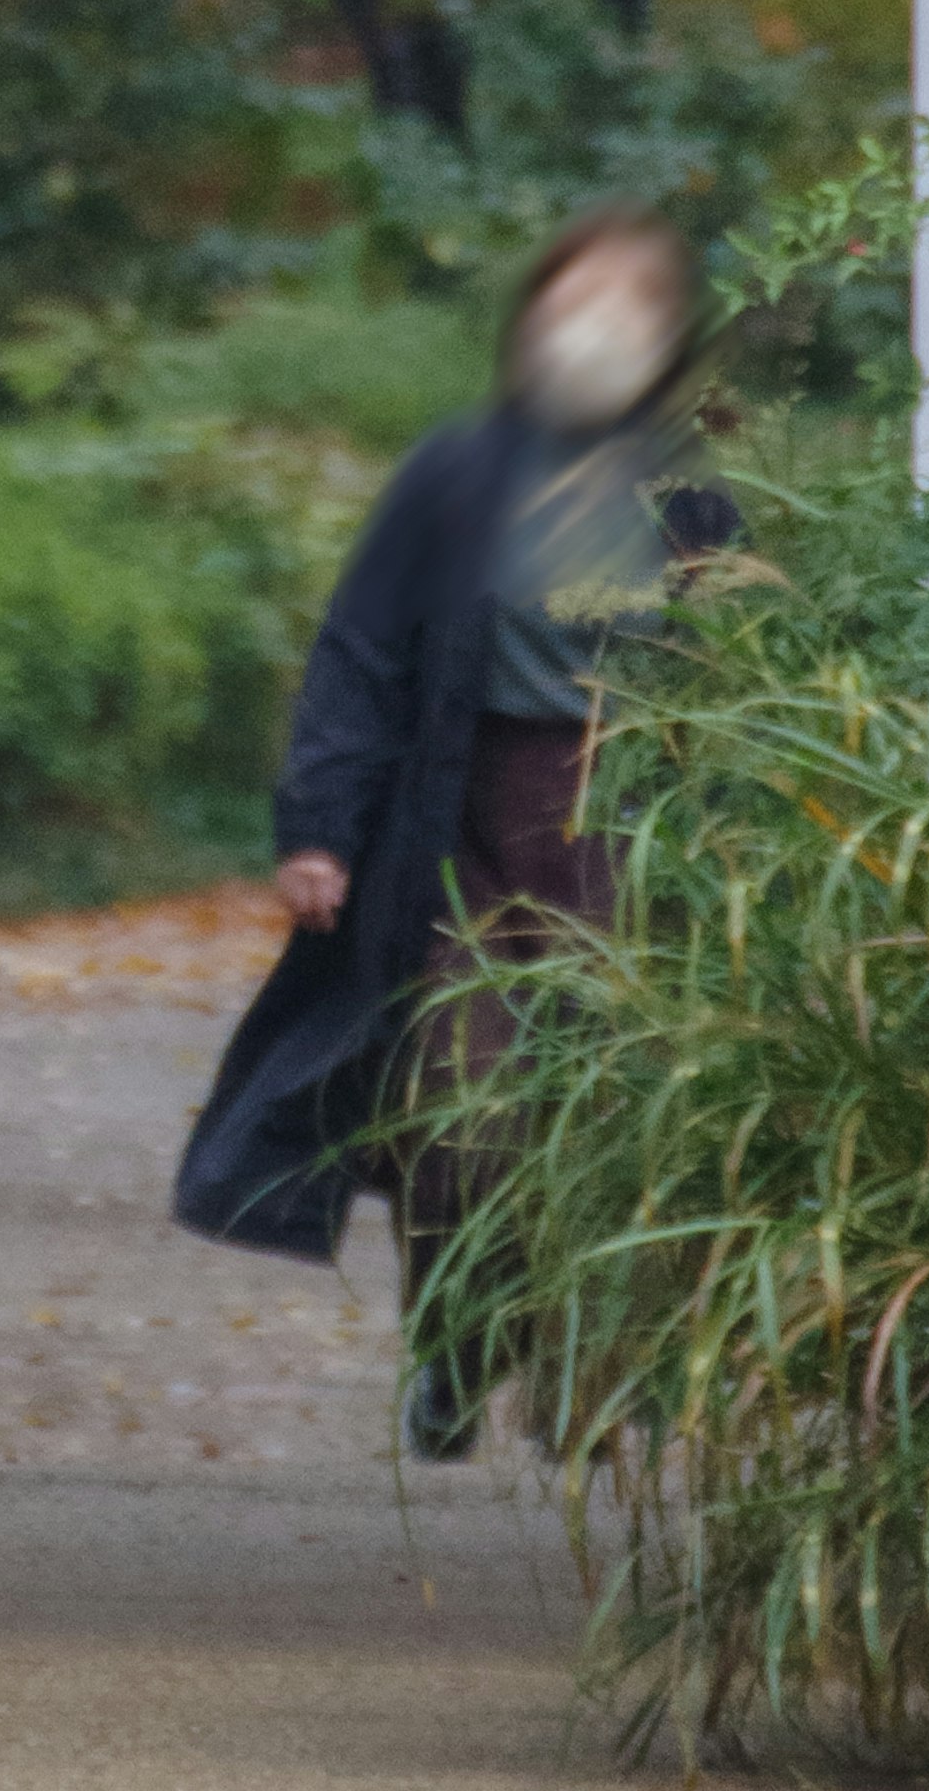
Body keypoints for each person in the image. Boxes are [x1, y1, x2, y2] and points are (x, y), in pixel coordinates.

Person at [171, 205, 736, 1457]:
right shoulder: (458, 475)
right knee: (460, 1109)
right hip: (465, 825)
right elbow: (361, 655)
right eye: (579, 298)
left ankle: (600, 1363)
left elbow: (752, 674)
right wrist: (320, 828)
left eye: (632, 306)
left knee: (615, 1113)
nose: (600, 327)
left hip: (627, 845)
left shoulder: (687, 491)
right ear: (536, 315)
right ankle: (459, 1344)